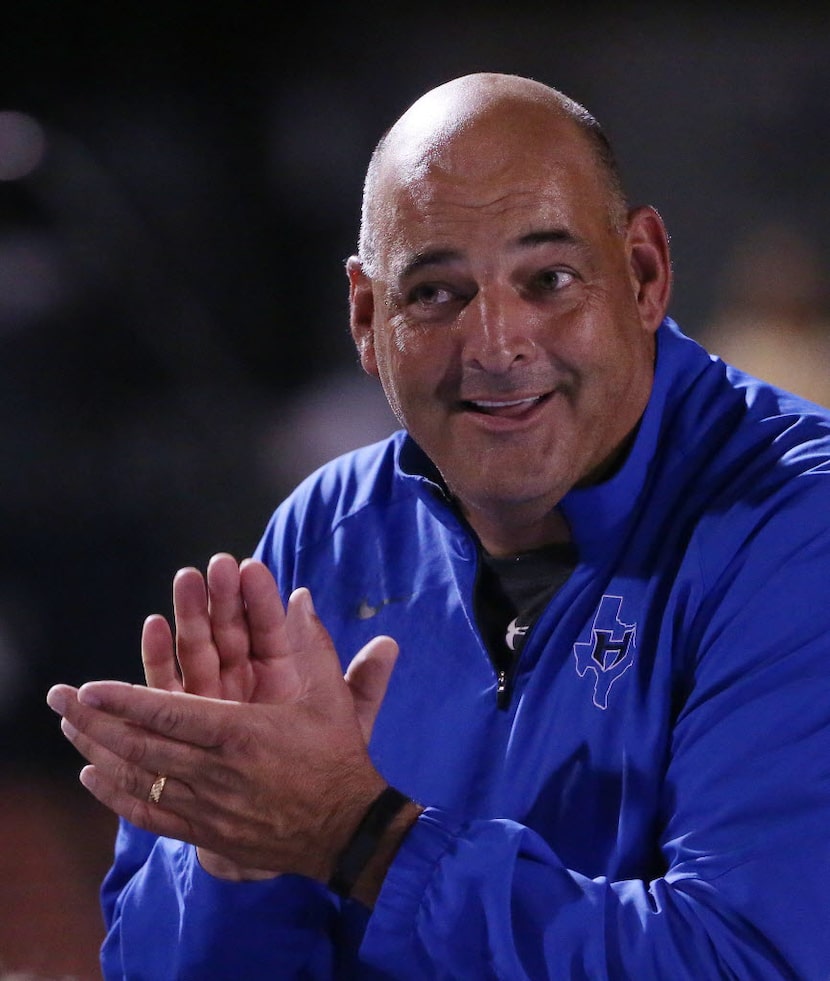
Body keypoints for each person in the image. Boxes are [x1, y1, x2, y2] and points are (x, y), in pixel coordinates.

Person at [46, 72, 830, 979]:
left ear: (644, 272)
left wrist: (363, 836)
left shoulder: (796, 527)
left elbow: (750, 959)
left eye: (549, 278)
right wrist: (241, 861)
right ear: (367, 317)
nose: (496, 343)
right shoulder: (325, 534)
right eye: (434, 293)